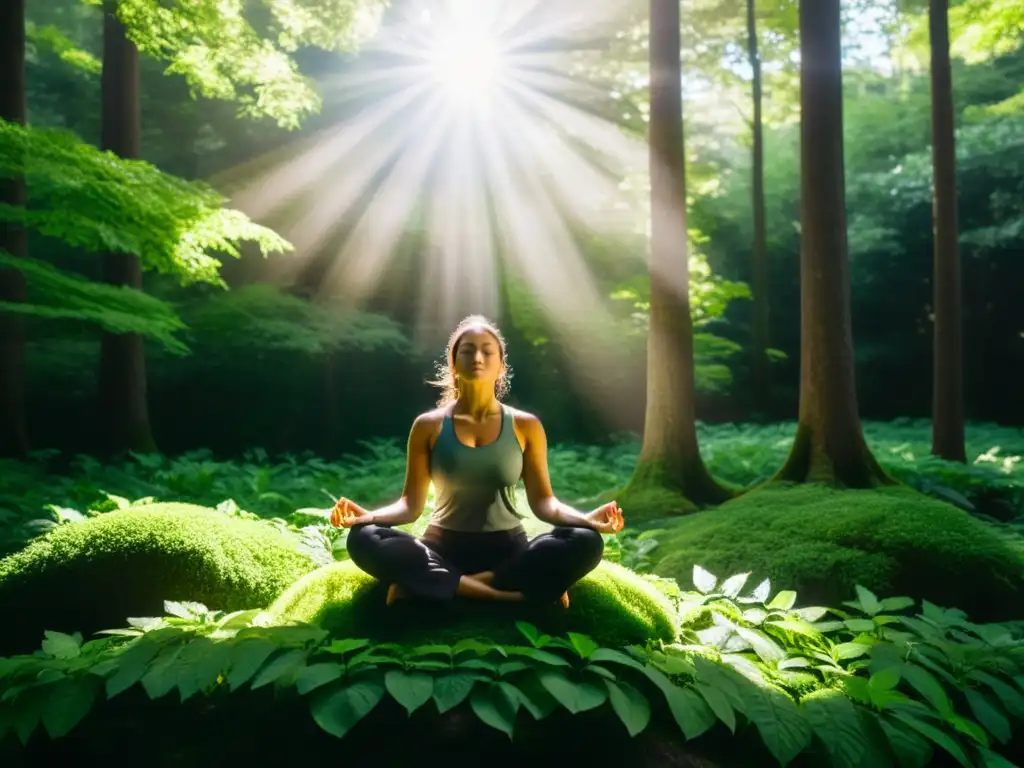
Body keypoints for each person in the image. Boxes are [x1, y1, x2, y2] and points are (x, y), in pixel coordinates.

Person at [330, 314, 625, 607]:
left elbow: (545, 503)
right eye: (467, 350)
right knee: (363, 537)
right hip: (442, 547)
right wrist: (367, 517)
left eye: (487, 350)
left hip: (508, 551)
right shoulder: (427, 426)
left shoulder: (526, 425)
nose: (478, 357)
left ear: (501, 366)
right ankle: (507, 596)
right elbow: (410, 506)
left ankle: (442, 584)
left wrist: (585, 520)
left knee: (586, 541)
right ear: (453, 363)